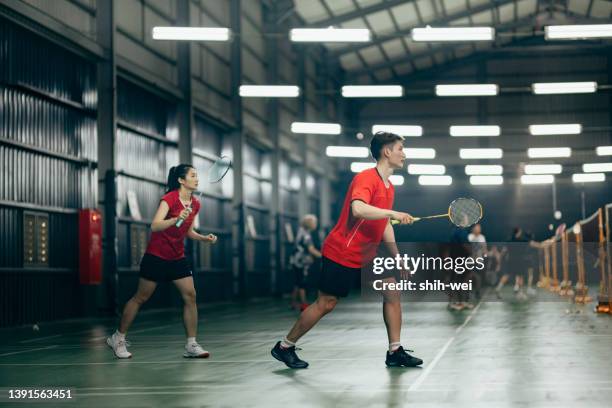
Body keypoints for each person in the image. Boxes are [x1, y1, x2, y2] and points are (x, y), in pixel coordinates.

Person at [270, 131, 423, 369]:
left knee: (392, 292)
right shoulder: (366, 178)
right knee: (326, 304)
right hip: (342, 249)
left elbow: (382, 224)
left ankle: (395, 351)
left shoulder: (389, 187)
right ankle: (285, 346)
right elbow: (359, 210)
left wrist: (398, 257)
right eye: (400, 148)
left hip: (368, 253)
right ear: (387, 151)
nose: (404, 154)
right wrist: (393, 214)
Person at [106, 164, 218, 359]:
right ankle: (118, 337)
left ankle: (191, 345)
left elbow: (188, 231)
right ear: (181, 180)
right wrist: (174, 219)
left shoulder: (195, 204)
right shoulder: (170, 199)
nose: (197, 178)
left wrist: (204, 238)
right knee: (141, 297)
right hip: (156, 256)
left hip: (177, 257)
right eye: (193, 175)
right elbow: (155, 225)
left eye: (197, 175)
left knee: (190, 296)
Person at [289, 214, 322, 312]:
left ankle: (293, 302)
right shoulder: (306, 235)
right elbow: (311, 249)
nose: (316, 224)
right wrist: (322, 256)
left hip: (295, 260)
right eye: (314, 222)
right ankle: (303, 303)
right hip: (300, 262)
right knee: (302, 282)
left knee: (297, 282)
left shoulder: (300, 231)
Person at [468, 224, 487, 300]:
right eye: (477, 228)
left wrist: (485, 256)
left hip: (479, 261)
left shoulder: (482, 237)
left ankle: (477, 292)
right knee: (469, 276)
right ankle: (468, 292)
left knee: (478, 277)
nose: (479, 229)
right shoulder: (469, 237)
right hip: (470, 260)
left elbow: (484, 249)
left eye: (480, 228)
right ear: (473, 229)